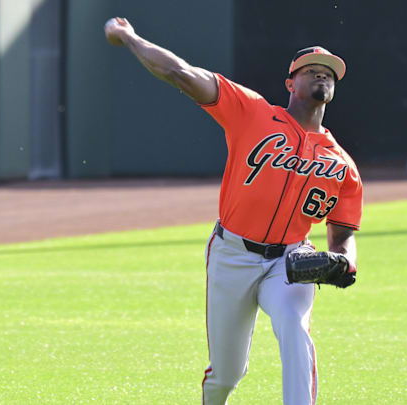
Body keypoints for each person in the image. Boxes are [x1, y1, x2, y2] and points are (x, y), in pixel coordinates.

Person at [104, 17, 362, 405]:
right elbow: (180, 72)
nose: (321, 77)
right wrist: (129, 37)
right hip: (232, 254)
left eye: (329, 74)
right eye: (311, 70)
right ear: (290, 83)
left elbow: (342, 237)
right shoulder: (252, 112)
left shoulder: (341, 164)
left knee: (294, 329)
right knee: (227, 373)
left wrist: (344, 262)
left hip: (291, 260)